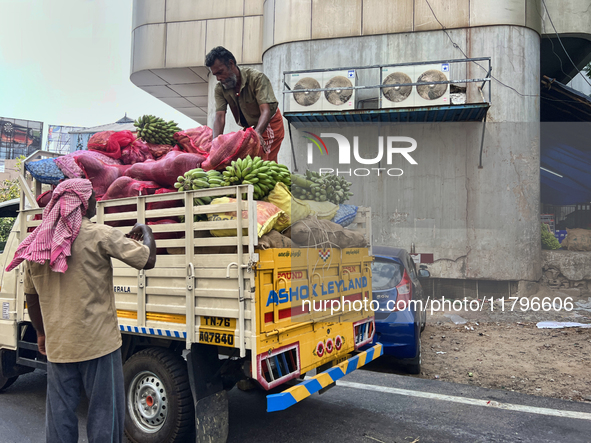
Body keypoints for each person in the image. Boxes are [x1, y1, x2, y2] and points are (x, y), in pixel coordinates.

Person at [6, 179, 156, 443]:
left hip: (59, 346)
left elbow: (32, 297)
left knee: (60, 417)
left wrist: (41, 334)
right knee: (104, 416)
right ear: (84, 203)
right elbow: (148, 259)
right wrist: (145, 232)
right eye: (93, 198)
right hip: (98, 344)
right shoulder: (100, 234)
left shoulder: (37, 243)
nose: (96, 202)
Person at [206, 46, 285, 162]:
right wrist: (215, 145)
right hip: (249, 127)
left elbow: (265, 110)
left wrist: (257, 133)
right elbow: (219, 117)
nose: (218, 78)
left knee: (265, 161)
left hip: (269, 122)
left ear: (231, 63)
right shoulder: (220, 88)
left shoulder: (257, 78)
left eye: (220, 72)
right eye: (215, 75)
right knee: (243, 159)